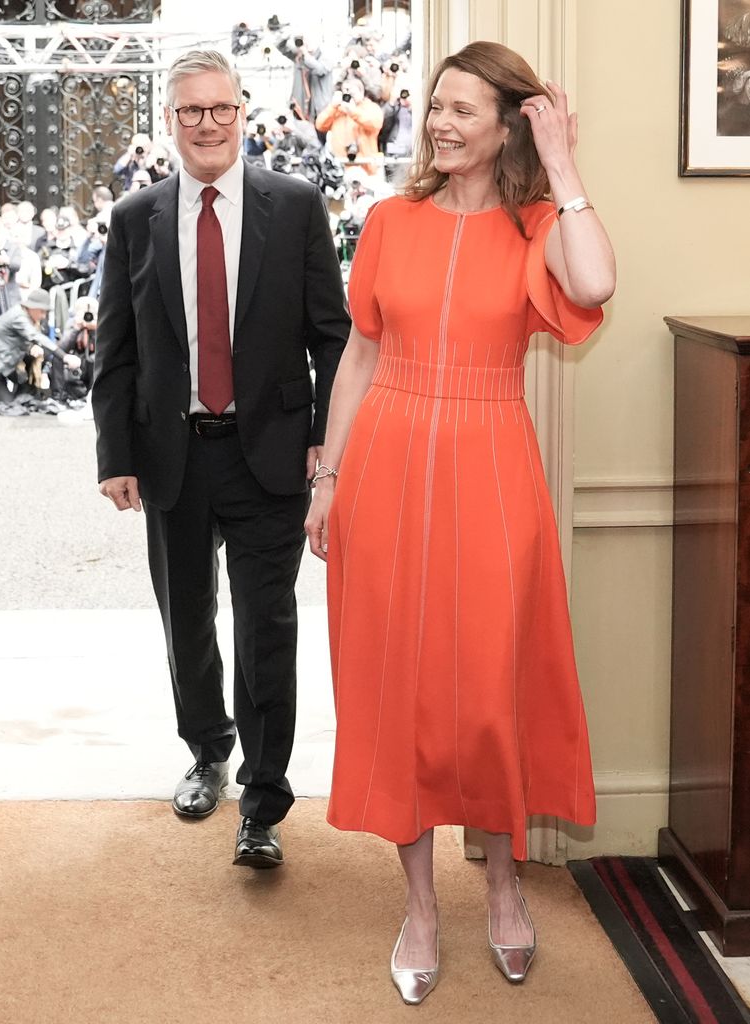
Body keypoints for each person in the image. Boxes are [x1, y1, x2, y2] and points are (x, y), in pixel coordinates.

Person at [305, 40, 615, 1004]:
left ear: (508, 124)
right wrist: (327, 479)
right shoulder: (388, 220)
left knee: (489, 688)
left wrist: (562, 166)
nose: (439, 122)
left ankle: (503, 886)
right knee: (398, 686)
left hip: (490, 469)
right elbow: (358, 357)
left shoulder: (536, 229)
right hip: (387, 467)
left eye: (462, 110)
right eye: (433, 105)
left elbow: (596, 284)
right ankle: (420, 906)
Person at [93, 49, 349, 868]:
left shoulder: (296, 204)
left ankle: (264, 803)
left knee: (266, 626)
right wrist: (114, 453)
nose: (207, 124)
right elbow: (117, 349)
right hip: (172, 455)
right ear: (170, 122)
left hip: (269, 455)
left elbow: (331, 337)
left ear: (244, 112)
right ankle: (208, 751)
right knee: (187, 620)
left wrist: (323, 437)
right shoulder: (136, 217)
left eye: (221, 109)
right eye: (190, 112)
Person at [0, 288, 80, 412]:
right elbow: (36, 336)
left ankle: (24, 392)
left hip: (4, 361)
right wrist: (65, 356)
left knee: (41, 355)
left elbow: (21, 340)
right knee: (9, 406)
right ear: (32, 307)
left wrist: (31, 347)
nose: (43, 316)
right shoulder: (18, 316)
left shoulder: (29, 318)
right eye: (42, 312)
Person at [315, 78, 384, 173]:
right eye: (346, 92)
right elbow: (320, 125)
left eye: (352, 92)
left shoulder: (370, 107)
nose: (349, 95)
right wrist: (332, 106)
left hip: (365, 167)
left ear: (361, 92)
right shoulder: (337, 109)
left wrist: (353, 111)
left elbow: (375, 124)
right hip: (340, 167)